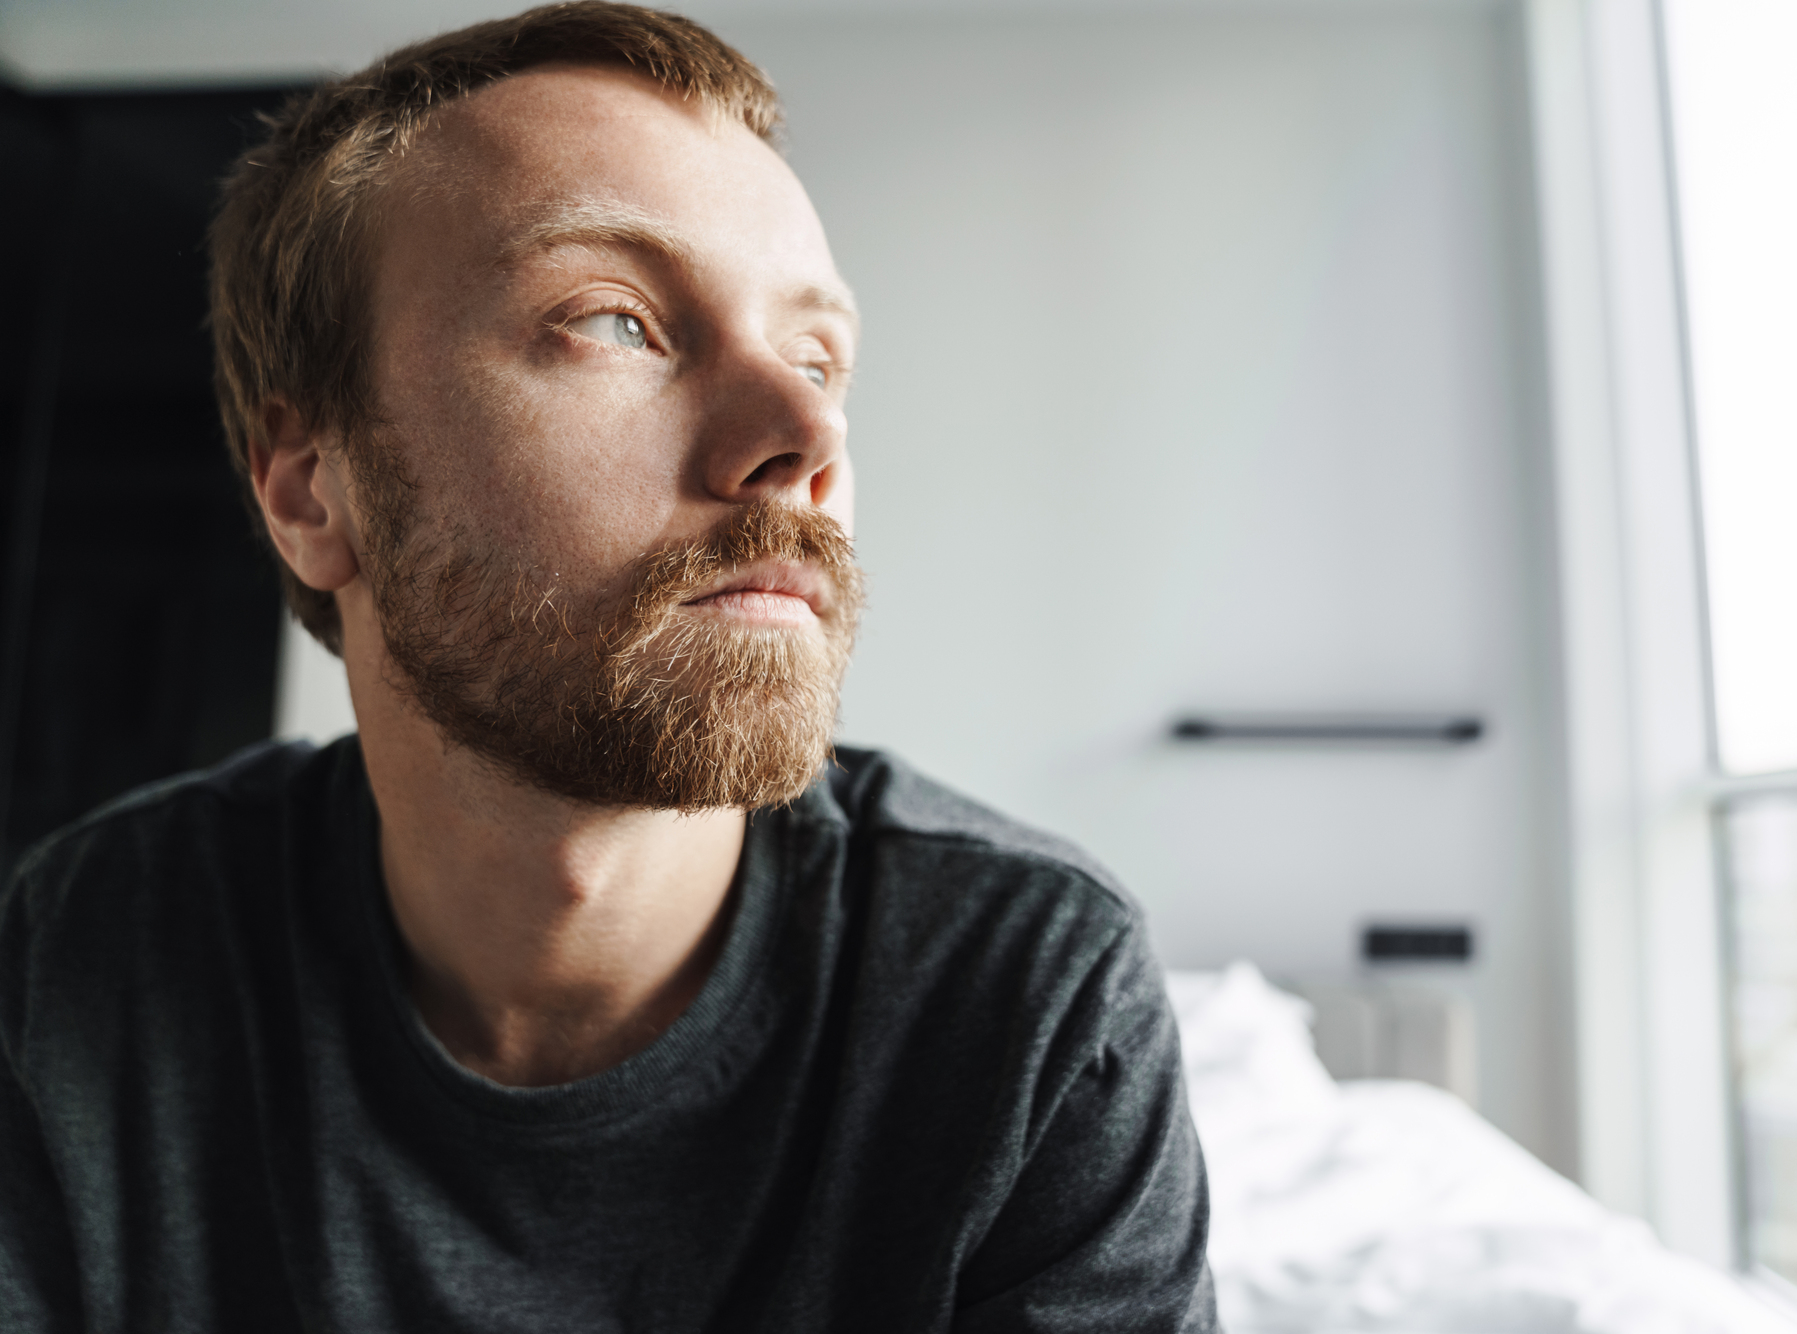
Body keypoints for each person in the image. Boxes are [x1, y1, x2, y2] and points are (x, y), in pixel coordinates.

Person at [0, 5, 1215, 1329]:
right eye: (615, 321)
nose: (807, 434)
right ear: (310, 486)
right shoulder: (88, 955)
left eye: (820, 357)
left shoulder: (1024, 1002)